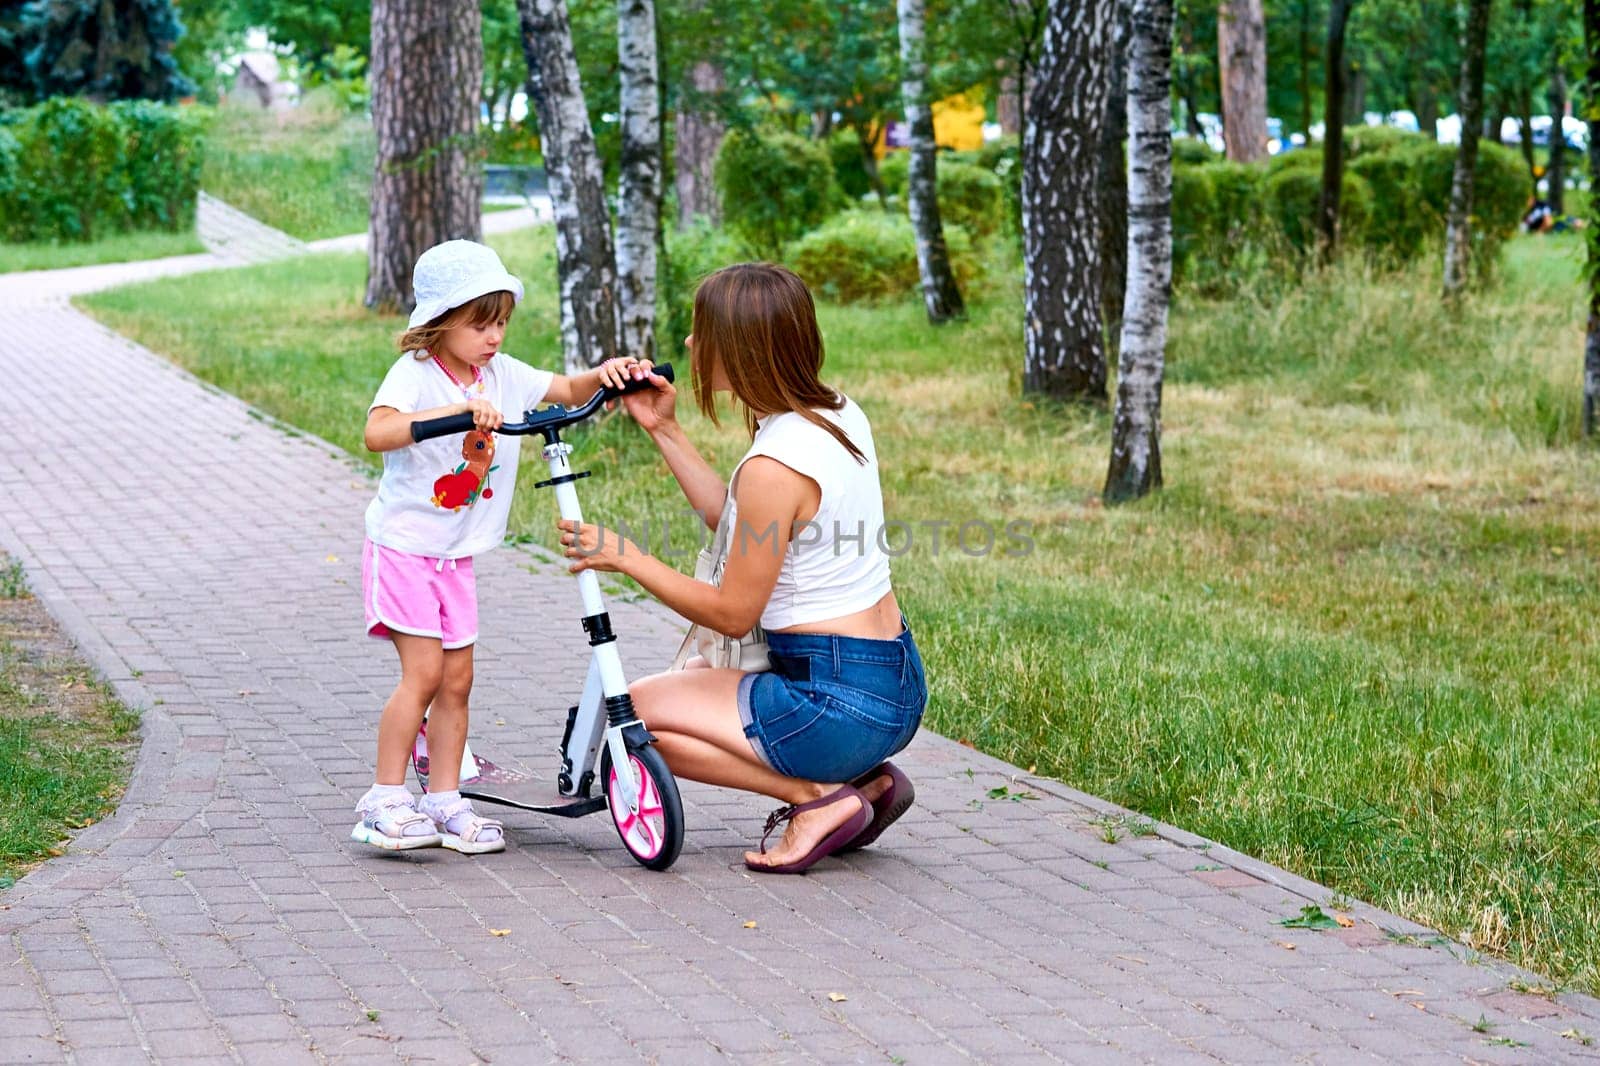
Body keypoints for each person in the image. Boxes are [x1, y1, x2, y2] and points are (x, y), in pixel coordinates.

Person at [557, 262, 928, 874]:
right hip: (893, 684)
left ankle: (815, 801)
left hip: (831, 700)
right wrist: (665, 428)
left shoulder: (774, 464)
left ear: (741, 348)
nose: (689, 345)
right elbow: (735, 523)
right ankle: (866, 781)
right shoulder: (833, 414)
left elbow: (733, 615)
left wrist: (627, 557)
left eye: (702, 332)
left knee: (634, 717)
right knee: (671, 697)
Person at [355, 239, 638, 854]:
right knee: (424, 673)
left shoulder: (502, 376)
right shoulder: (417, 375)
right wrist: (457, 413)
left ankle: (445, 800)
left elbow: (565, 386)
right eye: (481, 323)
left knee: (459, 679)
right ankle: (384, 798)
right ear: (440, 322)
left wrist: (609, 375)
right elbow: (377, 431)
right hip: (404, 547)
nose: (494, 336)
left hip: (455, 556)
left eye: (502, 321)